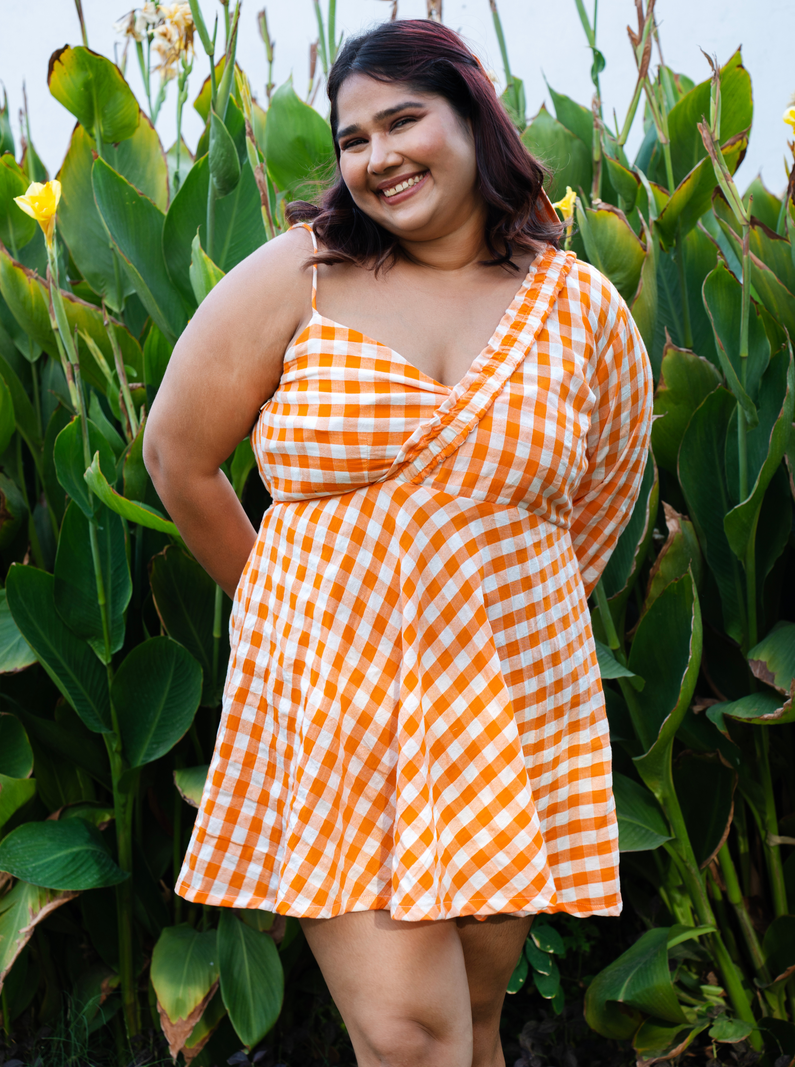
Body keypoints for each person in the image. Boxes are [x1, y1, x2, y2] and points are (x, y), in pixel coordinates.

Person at [144, 18, 653, 1067]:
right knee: (407, 1034)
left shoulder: (579, 309)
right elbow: (177, 457)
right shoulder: (302, 274)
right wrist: (284, 613)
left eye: (402, 120)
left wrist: (506, 610)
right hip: (336, 697)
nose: (377, 156)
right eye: (352, 138)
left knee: (469, 1020)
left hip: (510, 699)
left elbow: (602, 491)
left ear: (471, 113)